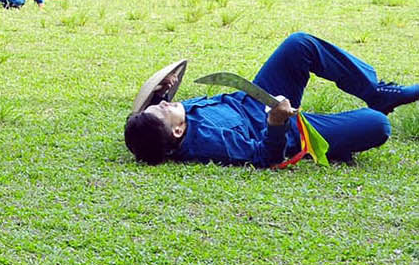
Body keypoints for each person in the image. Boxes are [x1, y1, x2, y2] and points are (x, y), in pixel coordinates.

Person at [123, 33, 419, 167]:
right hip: (284, 126)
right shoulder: (213, 142)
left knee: (299, 45)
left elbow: (146, 126)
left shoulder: (167, 127)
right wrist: (276, 124)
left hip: (255, 95)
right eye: (162, 108)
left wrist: (162, 90)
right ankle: (337, 144)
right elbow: (265, 158)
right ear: (177, 132)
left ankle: (375, 92)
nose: (165, 102)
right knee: (377, 125)